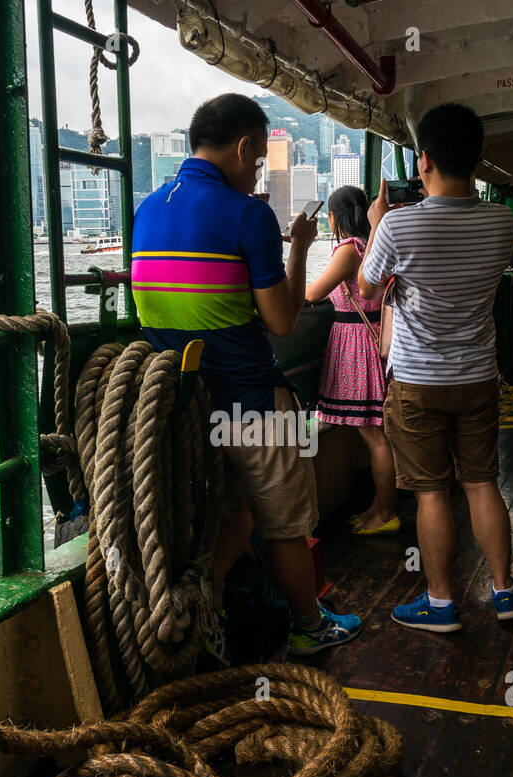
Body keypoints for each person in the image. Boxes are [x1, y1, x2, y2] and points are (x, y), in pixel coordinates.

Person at [131, 93, 362, 660]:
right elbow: (283, 321)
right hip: (252, 402)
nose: (256, 170)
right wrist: (300, 249)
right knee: (284, 525)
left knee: (232, 516)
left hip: (186, 407)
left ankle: (189, 616)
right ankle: (308, 627)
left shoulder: (147, 208)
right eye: (258, 160)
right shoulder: (248, 214)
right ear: (241, 147)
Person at [357, 102, 513, 633]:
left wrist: (379, 224)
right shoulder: (503, 221)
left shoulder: (399, 226)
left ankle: (442, 602)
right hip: (477, 376)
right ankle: (504, 591)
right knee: (481, 483)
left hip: (417, 382)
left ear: (423, 160)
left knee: (432, 493)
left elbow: (364, 287)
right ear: (477, 160)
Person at [304, 185, 398, 536]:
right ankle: (378, 507)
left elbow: (314, 293)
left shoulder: (349, 249)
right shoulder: (371, 245)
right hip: (373, 338)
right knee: (376, 433)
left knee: (376, 438)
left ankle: (387, 512)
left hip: (356, 345)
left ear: (333, 217)